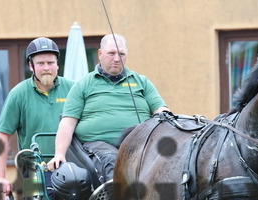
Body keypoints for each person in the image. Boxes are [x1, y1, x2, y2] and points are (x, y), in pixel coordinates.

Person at [47, 33, 170, 180]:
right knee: (113, 160)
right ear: (100, 54)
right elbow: (68, 122)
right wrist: (59, 154)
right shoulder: (83, 84)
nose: (117, 59)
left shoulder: (141, 82)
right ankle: (113, 195)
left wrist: (165, 114)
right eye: (111, 53)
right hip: (99, 145)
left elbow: (160, 109)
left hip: (140, 143)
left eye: (121, 54)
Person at [0, 37, 74, 195]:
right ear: (31, 66)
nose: (46, 68)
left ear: (57, 64)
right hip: (32, 172)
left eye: (50, 63)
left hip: (70, 169)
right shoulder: (18, 94)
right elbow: (2, 136)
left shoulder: (73, 89)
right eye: (41, 63)